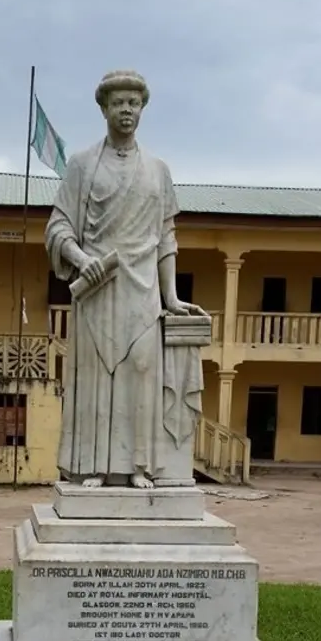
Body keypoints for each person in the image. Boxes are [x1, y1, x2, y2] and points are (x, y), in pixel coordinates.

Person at [46, 69, 205, 489]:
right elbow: (59, 226)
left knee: (141, 371)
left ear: (143, 108)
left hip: (142, 292)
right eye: (118, 102)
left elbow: (165, 236)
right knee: (98, 380)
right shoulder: (81, 165)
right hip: (98, 289)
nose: (126, 110)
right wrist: (82, 259)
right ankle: (94, 467)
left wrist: (171, 297)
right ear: (103, 108)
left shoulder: (158, 170)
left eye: (133, 103)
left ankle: (139, 466)